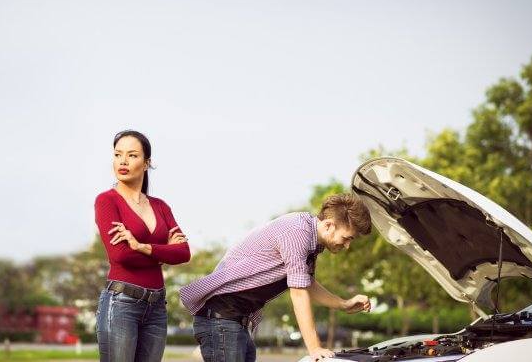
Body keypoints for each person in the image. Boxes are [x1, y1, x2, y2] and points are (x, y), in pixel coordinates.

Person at [180, 193, 372, 362]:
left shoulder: (313, 241)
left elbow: (307, 283)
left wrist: (343, 304)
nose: (347, 245)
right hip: (221, 319)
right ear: (329, 225)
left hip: (236, 321)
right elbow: (298, 293)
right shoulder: (298, 233)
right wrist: (314, 348)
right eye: (347, 238)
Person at [94, 130, 191, 362]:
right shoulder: (107, 201)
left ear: (146, 163)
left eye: (132, 155)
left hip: (157, 307)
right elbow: (121, 256)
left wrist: (141, 246)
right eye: (118, 155)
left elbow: (183, 253)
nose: (123, 161)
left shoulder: (161, 207)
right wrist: (161, 253)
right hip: (121, 304)